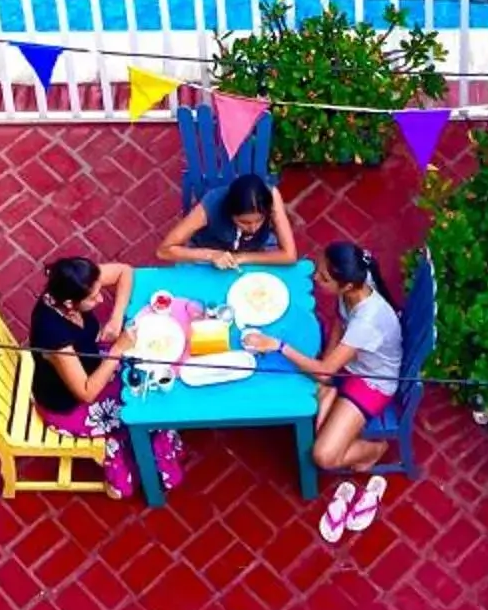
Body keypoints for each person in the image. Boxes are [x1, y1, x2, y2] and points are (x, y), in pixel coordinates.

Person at [243, 237, 402, 543]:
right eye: (319, 270)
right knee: (298, 396)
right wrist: (326, 365)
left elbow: (331, 362)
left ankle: (374, 450)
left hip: (372, 383)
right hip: (350, 368)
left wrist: (278, 346)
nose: (317, 278)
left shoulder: (367, 320)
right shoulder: (355, 286)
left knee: (324, 456)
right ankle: (330, 401)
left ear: (346, 286)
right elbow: (339, 326)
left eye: (324, 277)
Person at [27, 254, 182, 500]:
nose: (100, 299)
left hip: (93, 362)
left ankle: (155, 454)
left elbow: (125, 271)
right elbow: (86, 393)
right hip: (70, 405)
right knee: (145, 408)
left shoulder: (77, 280)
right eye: (93, 297)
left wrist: (116, 317)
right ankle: (142, 468)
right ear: (69, 303)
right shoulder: (53, 333)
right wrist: (118, 349)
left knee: (147, 384)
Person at [158, 168, 296, 268]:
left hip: (254, 248)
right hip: (210, 248)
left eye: (260, 220)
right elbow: (164, 251)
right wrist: (211, 255)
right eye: (244, 222)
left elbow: (289, 255)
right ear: (230, 212)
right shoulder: (210, 205)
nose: (253, 228)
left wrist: (241, 258)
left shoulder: (271, 197)